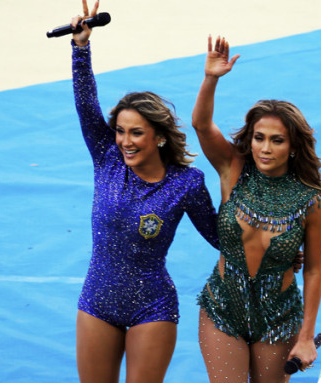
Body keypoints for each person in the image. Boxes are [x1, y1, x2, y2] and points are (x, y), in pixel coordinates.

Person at [69, 1, 219, 382]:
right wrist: (81, 49)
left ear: (160, 137)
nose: (124, 141)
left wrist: (270, 249)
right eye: (120, 131)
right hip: (96, 302)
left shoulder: (186, 183)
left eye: (136, 132)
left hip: (152, 307)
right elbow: (87, 108)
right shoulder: (106, 158)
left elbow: (221, 237)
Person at [191, 36, 321, 383]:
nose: (265, 148)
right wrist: (211, 79)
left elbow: (312, 271)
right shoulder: (232, 168)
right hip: (222, 309)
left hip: (279, 318)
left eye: (277, 140)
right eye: (258, 137)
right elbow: (201, 126)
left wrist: (307, 335)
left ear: (294, 146)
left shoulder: (311, 200)